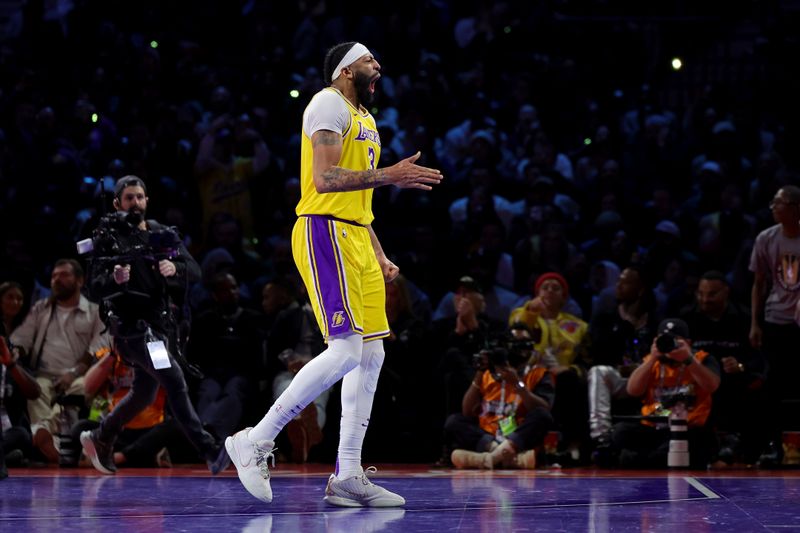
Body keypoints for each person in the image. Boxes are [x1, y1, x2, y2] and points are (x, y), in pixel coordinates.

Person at [225, 41, 442, 507]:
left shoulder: (365, 118)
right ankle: (256, 440)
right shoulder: (327, 103)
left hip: (356, 237)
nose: (377, 67)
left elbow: (358, 206)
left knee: (372, 355)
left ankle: (347, 473)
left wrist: (378, 252)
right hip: (324, 233)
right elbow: (324, 181)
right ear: (346, 70)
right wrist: (391, 175)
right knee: (344, 351)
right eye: (369, 61)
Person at [80, 175, 229, 475]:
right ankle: (210, 450)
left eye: (139, 197)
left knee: (145, 393)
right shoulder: (109, 236)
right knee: (174, 380)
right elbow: (92, 288)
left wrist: (175, 268)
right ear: (117, 203)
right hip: (131, 330)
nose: (135, 203)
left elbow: (195, 271)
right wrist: (114, 280)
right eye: (128, 198)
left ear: (147, 201)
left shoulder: (161, 233)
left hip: (159, 327)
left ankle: (101, 436)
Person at [10, 259, 105, 463]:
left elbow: (98, 348)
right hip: (45, 374)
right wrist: (15, 351)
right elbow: (21, 338)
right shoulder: (41, 308)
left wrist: (73, 373)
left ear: (80, 280)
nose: (56, 280)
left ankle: (43, 431)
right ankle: (53, 447)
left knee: (79, 390)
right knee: (36, 391)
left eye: (63, 275)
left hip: (80, 375)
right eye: (54, 276)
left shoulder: (94, 312)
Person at [680, 271, 767, 465]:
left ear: (726, 292)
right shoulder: (687, 318)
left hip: (734, 383)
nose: (705, 299)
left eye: (712, 294)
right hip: (698, 383)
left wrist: (740, 365)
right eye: (701, 294)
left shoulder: (745, 319)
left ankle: (746, 447)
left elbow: (758, 359)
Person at [613, 318, 720, 468]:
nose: (669, 344)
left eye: (676, 340)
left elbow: (712, 386)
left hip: (687, 429)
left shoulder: (701, 359)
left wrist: (688, 359)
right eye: (664, 339)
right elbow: (633, 390)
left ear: (688, 343)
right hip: (655, 427)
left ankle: (638, 459)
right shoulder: (652, 361)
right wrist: (652, 359)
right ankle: (650, 458)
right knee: (620, 432)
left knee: (699, 442)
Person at [445, 324, 554, 470]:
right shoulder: (486, 374)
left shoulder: (538, 373)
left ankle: (489, 459)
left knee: (542, 416)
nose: (521, 348)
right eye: (516, 343)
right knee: (454, 422)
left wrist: (517, 385)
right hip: (488, 437)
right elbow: (467, 411)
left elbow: (544, 408)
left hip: (518, 436)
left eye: (525, 343)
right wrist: (479, 373)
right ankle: (508, 458)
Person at [749, 185, 800, 466]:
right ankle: (772, 446)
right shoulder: (766, 238)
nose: (773, 208)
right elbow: (759, 284)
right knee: (772, 387)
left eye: (778, 203)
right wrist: (755, 323)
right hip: (775, 320)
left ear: (795, 207)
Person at [1, 336, 42, 478]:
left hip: (12, 433)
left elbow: (35, 392)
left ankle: (7, 457)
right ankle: (7, 458)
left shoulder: (13, 369)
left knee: (21, 434)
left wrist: (11, 365)